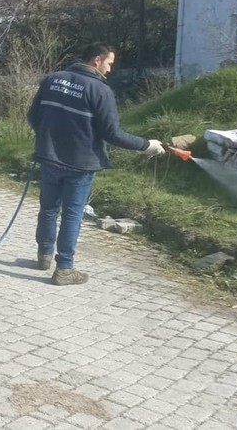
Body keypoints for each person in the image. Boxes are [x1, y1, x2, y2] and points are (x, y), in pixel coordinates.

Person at [26, 43, 165, 286]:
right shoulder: (100, 90)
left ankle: (44, 256)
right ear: (97, 60)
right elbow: (113, 133)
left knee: (48, 209)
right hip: (81, 164)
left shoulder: (53, 79)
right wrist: (146, 145)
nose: (110, 69)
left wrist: (48, 140)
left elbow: (33, 116)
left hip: (49, 158)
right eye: (110, 63)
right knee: (72, 215)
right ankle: (65, 269)